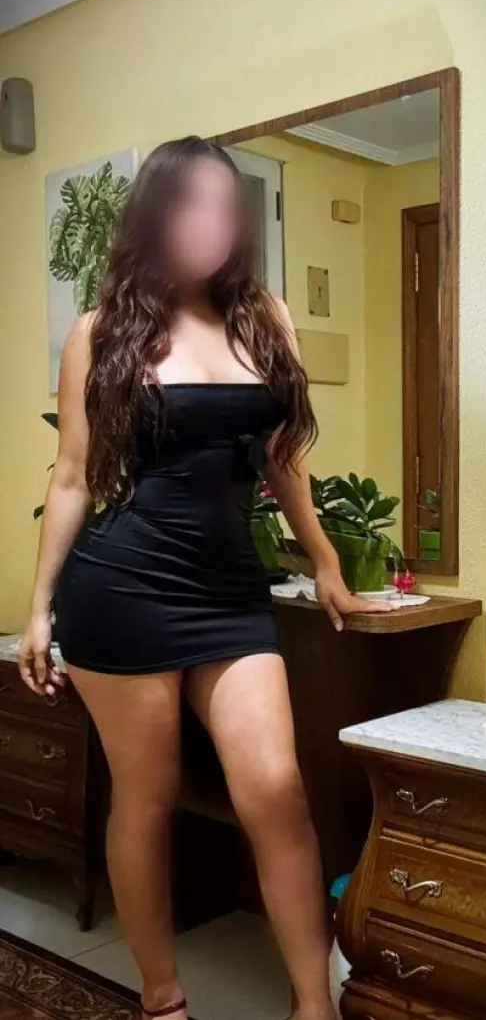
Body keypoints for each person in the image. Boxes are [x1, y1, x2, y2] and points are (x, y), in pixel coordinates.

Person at [19, 136, 395, 1020]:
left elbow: (282, 460)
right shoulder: (101, 332)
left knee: (278, 792)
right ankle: (163, 999)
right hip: (121, 589)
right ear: (155, 216)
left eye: (226, 207)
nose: (212, 224)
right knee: (147, 800)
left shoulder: (266, 317)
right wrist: (38, 609)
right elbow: (72, 477)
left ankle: (313, 1004)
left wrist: (325, 560)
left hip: (228, 591)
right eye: (191, 204)